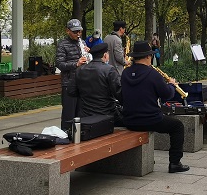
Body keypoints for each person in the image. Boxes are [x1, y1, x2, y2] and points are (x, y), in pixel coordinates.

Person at [121, 41, 190, 173]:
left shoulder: (125, 73)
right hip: (150, 119)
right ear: (148, 56)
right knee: (177, 126)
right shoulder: (153, 74)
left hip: (129, 120)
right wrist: (172, 85)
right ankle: (175, 163)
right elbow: (166, 95)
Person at [75, 42, 124, 126]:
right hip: (107, 114)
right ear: (105, 55)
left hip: (85, 115)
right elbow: (119, 93)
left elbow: (71, 91)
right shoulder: (109, 70)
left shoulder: (80, 70)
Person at [56, 18, 90, 130]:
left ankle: (79, 134)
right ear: (68, 31)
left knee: (81, 112)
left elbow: (88, 61)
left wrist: (88, 54)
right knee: (69, 113)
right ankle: (66, 133)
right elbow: (60, 64)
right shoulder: (62, 44)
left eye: (79, 31)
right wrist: (76, 64)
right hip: (69, 83)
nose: (78, 34)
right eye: (75, 32)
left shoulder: (82, 43)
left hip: (82, 81)